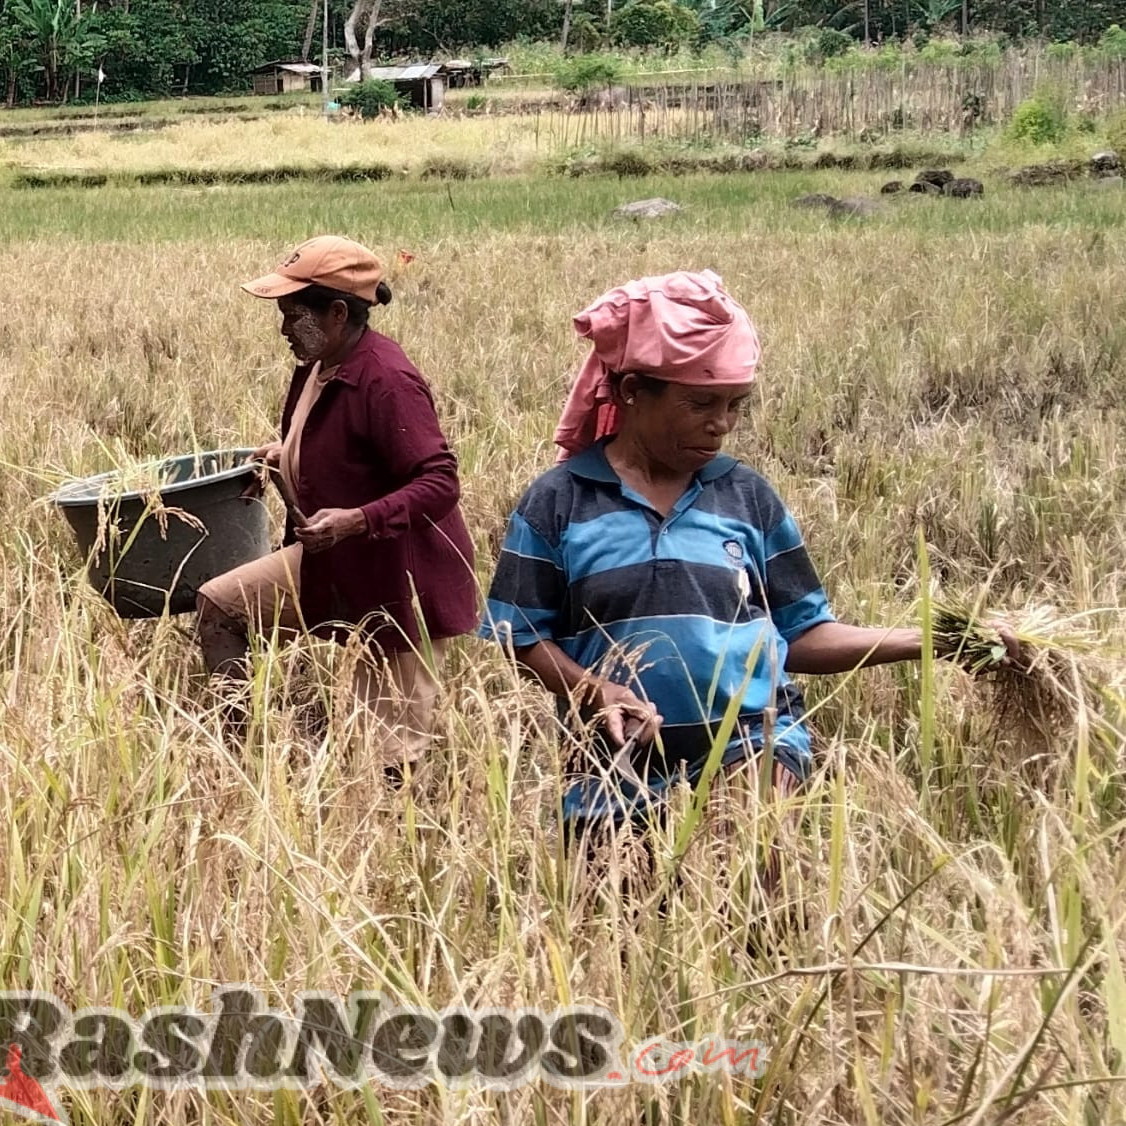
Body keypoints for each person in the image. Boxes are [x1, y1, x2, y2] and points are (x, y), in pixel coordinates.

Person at [482, 270, 1019, 840]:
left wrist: (931, 641)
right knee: (628, 924)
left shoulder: (746, 496)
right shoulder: (559, 501)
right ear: (632, 391)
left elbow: (805, 634)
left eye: (736, 404)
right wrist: (596, 692)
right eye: (701, 403)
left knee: (750, 887)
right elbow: (520, 633)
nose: (722, 424)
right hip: (611, 766)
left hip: (751, 742)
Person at [195, 236, 477, 778]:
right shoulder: (318, 364)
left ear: (339, 313)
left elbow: (440, 482)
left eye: (293, 315)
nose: (283, 329)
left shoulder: (386, 379)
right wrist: (284, 458)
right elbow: (339, 445)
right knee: (222, 607)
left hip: (397, 582)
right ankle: (244, 766)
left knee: (388, 757)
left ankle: (400, 840)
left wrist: (358, 519)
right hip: (334, 558)